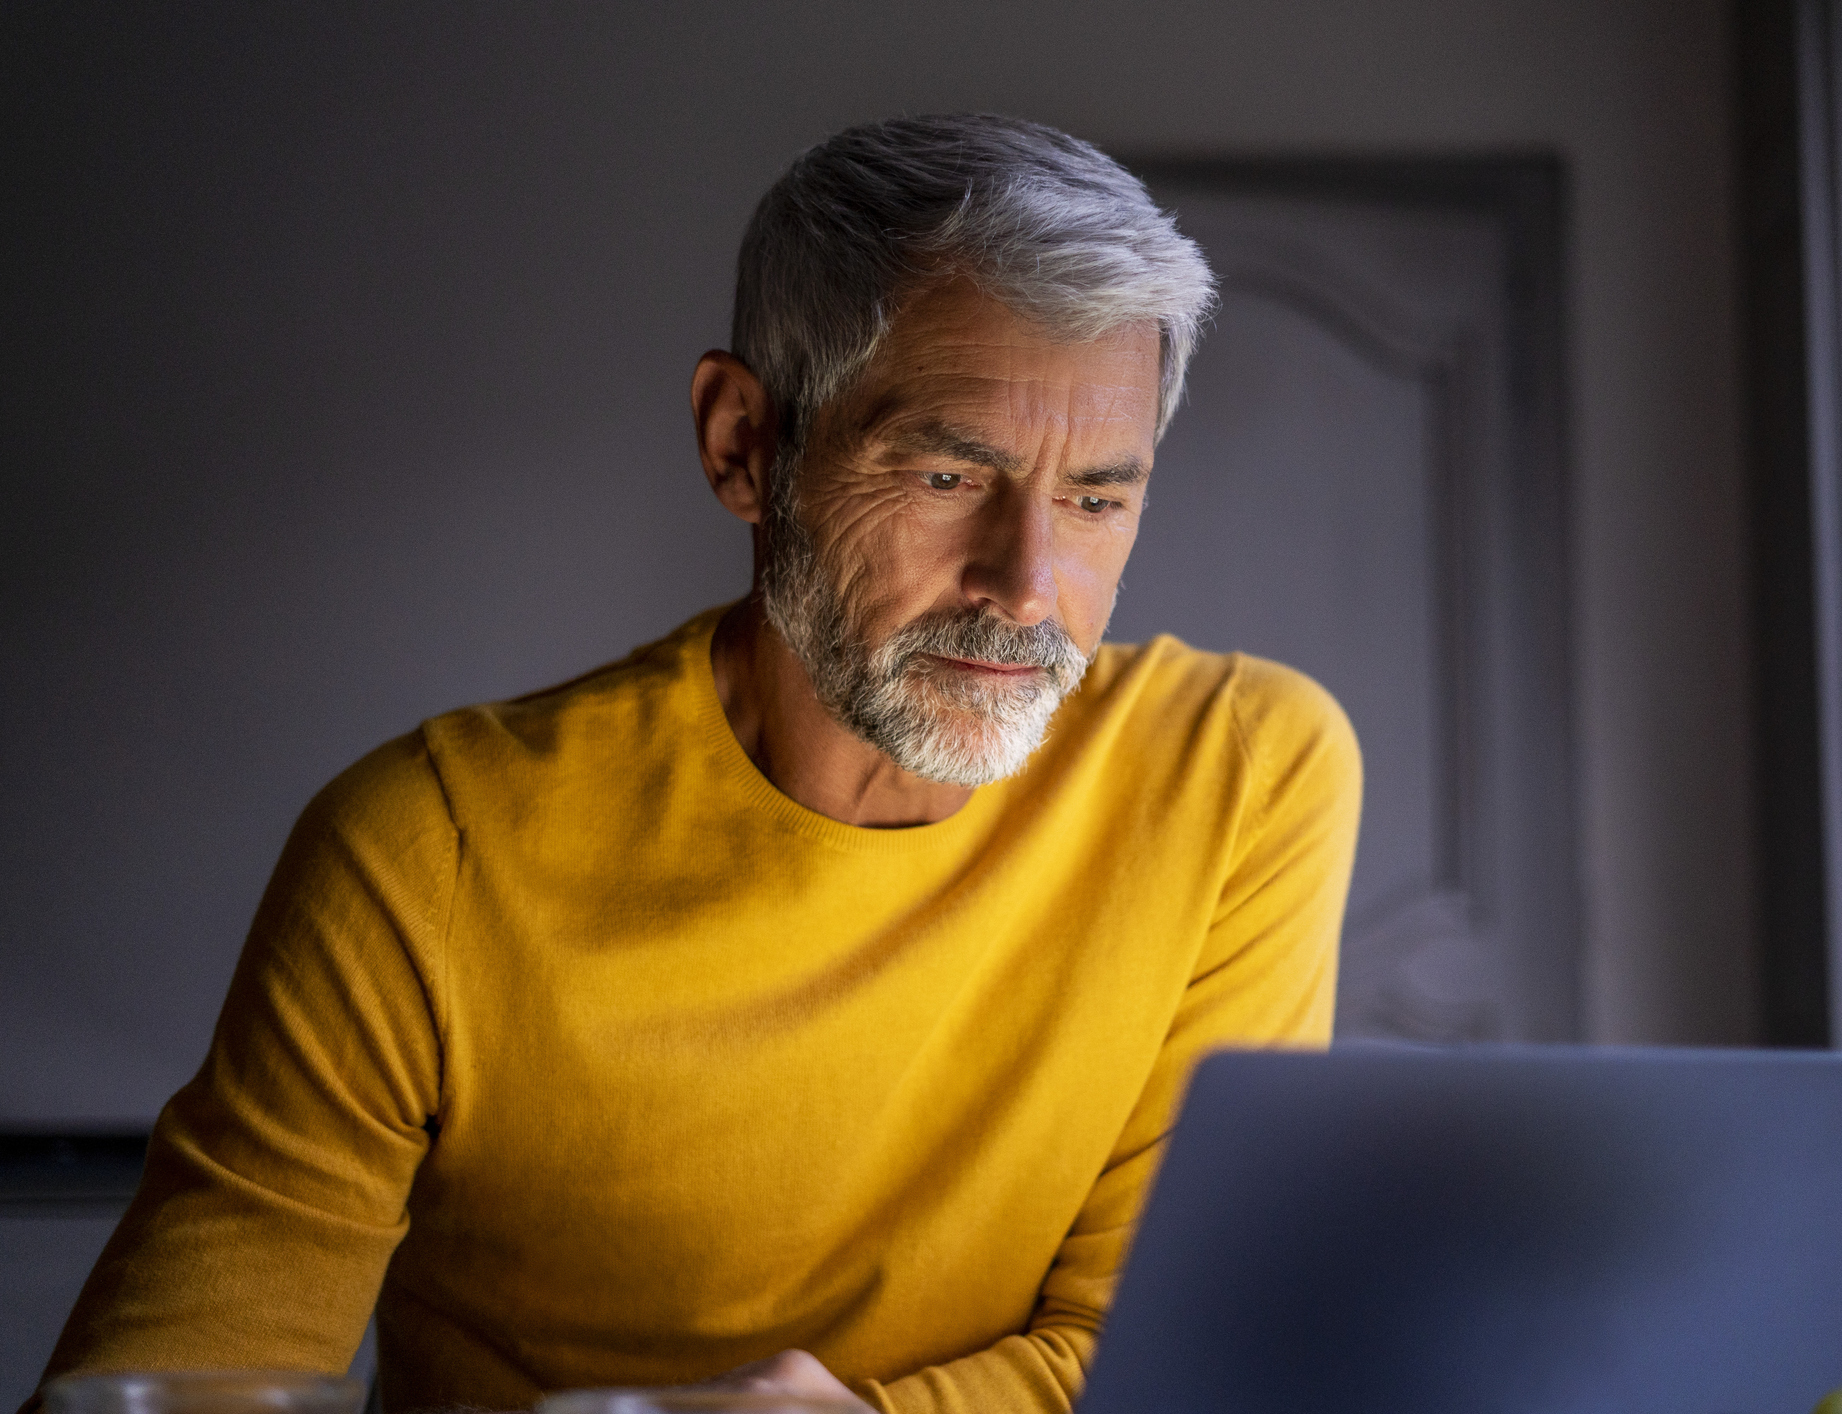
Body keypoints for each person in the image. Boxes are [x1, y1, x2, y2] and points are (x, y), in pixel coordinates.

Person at [36, 114, 1362, 1414]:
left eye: (1094, 498)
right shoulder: (426, 850)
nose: (1028, 589)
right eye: (950, 477)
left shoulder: (1241, 771)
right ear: (745, 444)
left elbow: (1173, 1354)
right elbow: (170, 1384)